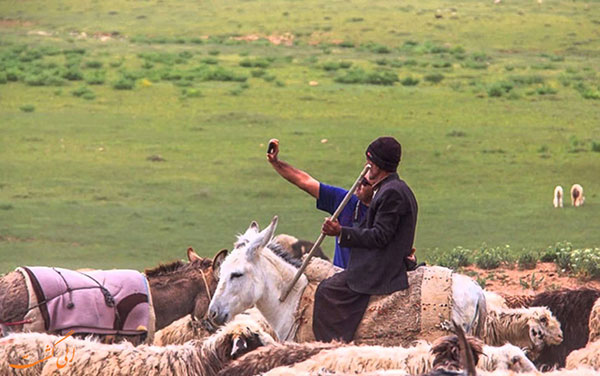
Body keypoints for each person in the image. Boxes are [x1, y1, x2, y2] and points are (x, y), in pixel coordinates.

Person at [313, 136, 418, 343]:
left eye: (370, 162)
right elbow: (373, 228)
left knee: (326, 291)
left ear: (379, 165)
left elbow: (380, 236)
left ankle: (332, 347)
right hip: (385, 261)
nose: (367, 166)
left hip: (383, 268)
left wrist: (341, 232)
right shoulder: (390, 189)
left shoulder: (391, 193)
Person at [266, 138, 371, 268]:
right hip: (339, 277)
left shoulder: (387, 212)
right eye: (360, 179)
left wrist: (340, 232)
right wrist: (276, 163)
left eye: (365, 183)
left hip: (371, 282)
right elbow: (305, 181)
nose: (359, 184)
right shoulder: (346, 200)